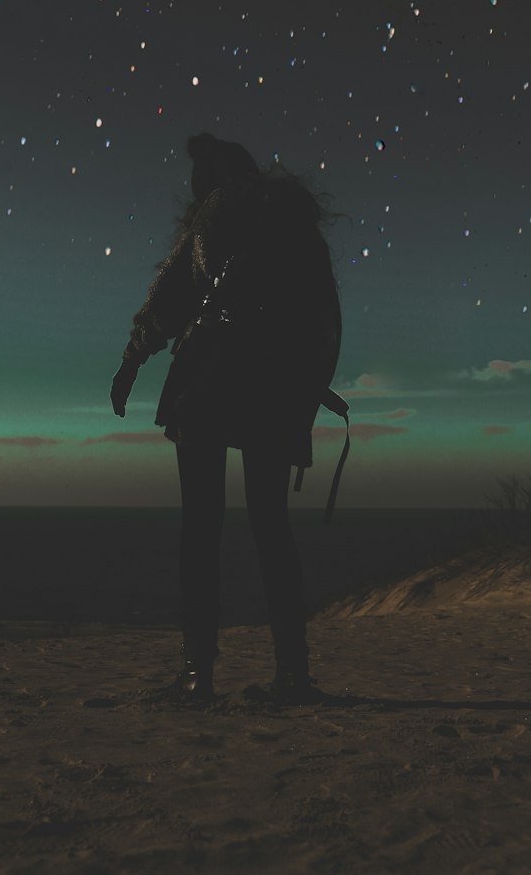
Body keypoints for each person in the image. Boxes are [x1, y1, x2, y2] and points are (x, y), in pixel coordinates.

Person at [109, 132, 344, 706]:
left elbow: (170, 300)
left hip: (207, 379)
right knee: (271, 528)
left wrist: (131, 360)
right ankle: (293, 674)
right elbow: (325, 320)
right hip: (277, 388)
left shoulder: (212, 215)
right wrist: (305, 392)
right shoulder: (297, 228)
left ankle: (197, 675)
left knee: (201, 529)